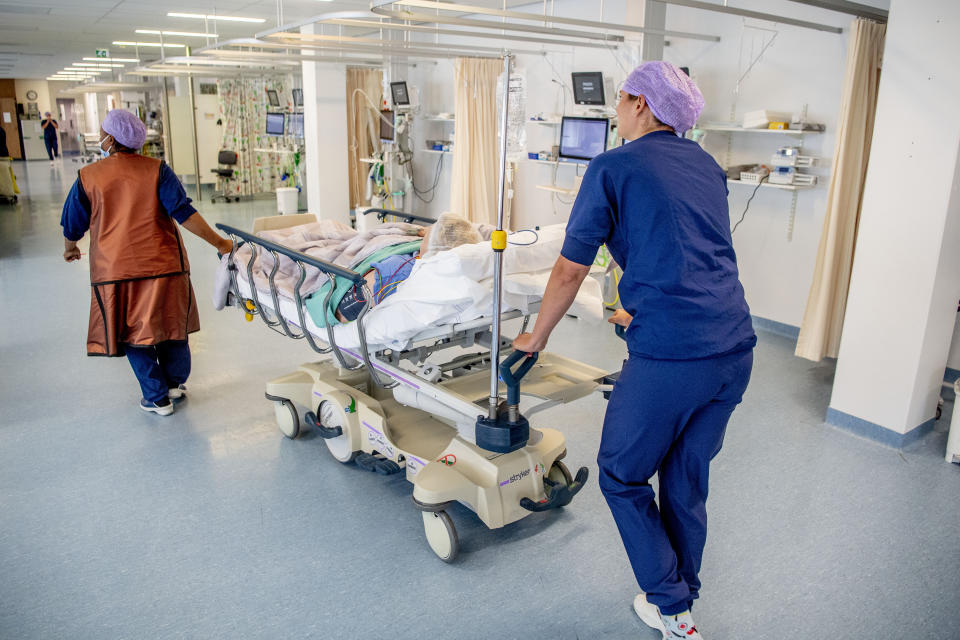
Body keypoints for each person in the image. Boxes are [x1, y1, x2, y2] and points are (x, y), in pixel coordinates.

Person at [513, 62, 756, 639]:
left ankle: (671, 607)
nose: (616, 112)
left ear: (641, 105)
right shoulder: (706, 165)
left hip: (673, 358)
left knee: (622, 475)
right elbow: (686, 251)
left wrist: (535, 337)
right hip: (734, 349)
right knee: (684, 478)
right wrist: (634, 308)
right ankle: (683, 595)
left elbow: (571, 271)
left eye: (620, 101)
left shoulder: (613, 166)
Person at [60, 109, 233, 416]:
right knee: (170, 324)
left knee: (132, 332)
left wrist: (70, 248)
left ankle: (156, 397)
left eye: (102, 132)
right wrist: (220, 243)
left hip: (116, 270)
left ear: (110, 139)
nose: (100, 137)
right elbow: (184, 213)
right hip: (165, 264)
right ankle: (175, 384)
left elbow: (73, 222)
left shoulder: (89, 177)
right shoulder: (158, 170)